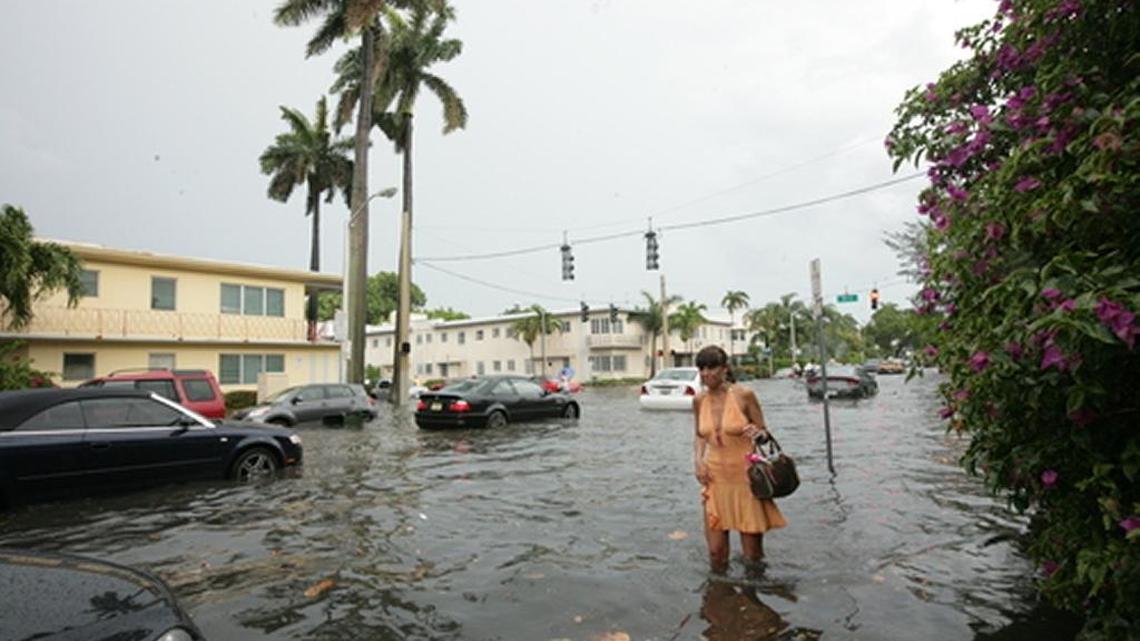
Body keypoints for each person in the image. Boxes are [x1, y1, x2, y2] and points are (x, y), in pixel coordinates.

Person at [693, 345, 787, 572]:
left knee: (752, 557)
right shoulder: (698, 400)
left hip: (746, 479)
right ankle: (720, 600)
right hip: (715, 479)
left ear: (725, 369)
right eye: (702, 368)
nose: (706, 374)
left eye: (711, 368)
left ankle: (752, 599)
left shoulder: (744, 396)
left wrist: (759, 434)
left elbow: (764, 432)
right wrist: (698, 461)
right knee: (716, 554)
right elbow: (699, 435)